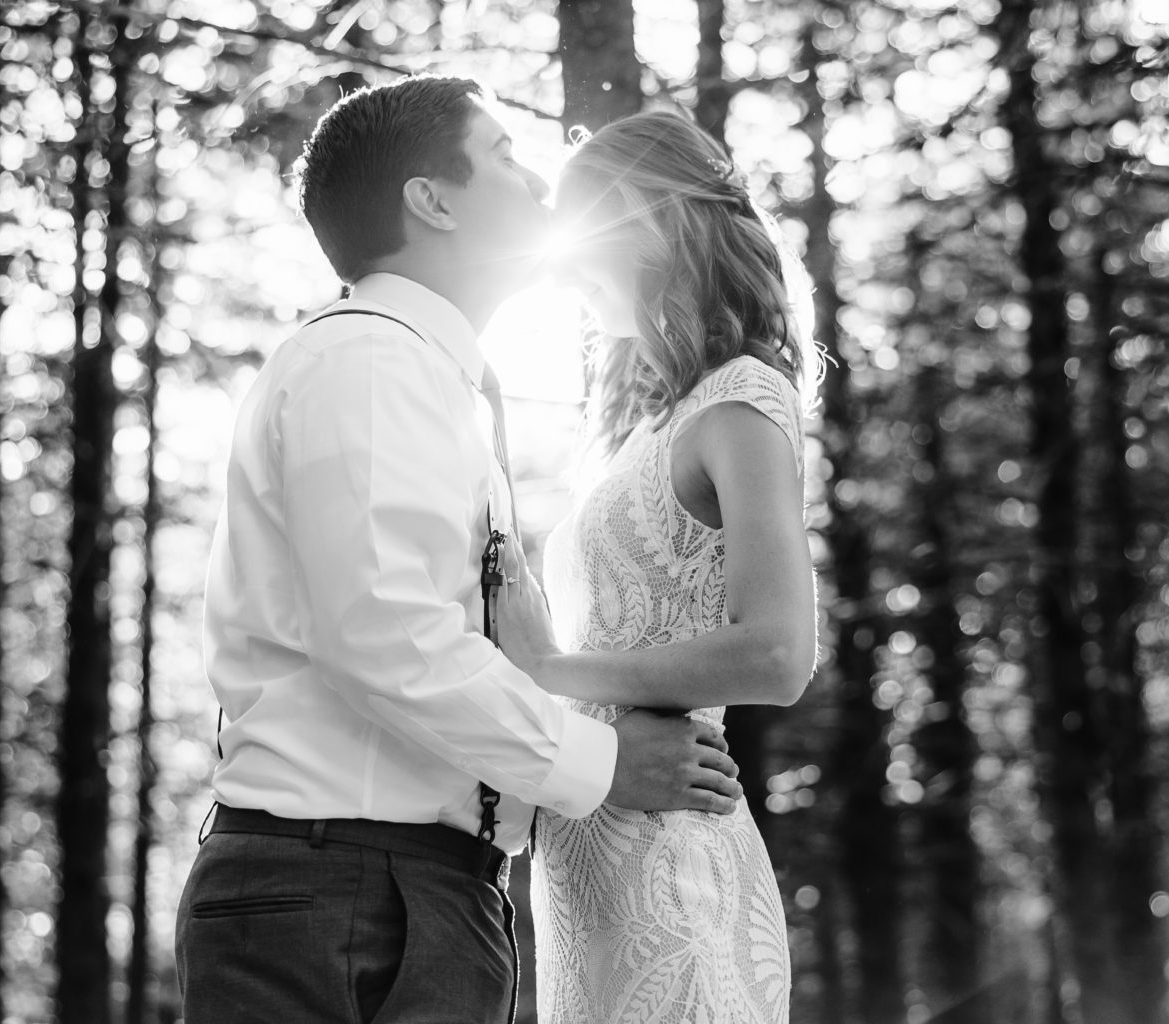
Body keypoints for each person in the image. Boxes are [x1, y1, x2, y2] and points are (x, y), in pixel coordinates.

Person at [175, 76, 746, 1024]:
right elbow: (385, 633)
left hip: (403, 891)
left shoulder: (428, 377)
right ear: (431, 200)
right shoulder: (367, 361)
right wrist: (602, 763)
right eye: (504, 159)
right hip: (339, 891)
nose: (539, 185)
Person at [497, 109, 819, 1024]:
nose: (561, 265)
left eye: (576, 230)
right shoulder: (645, 423)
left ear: (641, 220)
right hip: (589, 866)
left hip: (672, 872)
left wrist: (551, 671)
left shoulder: (741, 402)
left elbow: (777, 655)